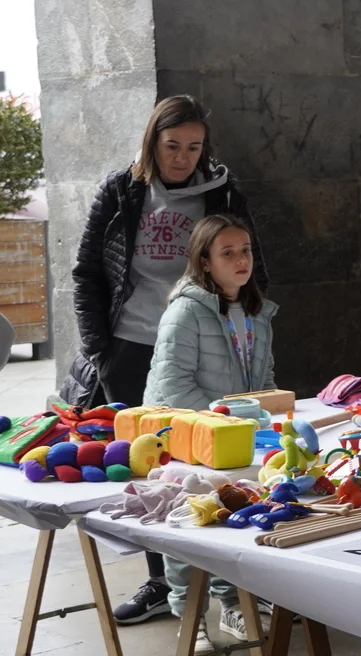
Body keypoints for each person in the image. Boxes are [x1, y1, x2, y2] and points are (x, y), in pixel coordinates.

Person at [59, 95, 268, 626]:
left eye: (193, 147)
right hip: (131, 343)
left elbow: (251, 260)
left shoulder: (221, 189)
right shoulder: (122, 189)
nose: (182, 158)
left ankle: (229, 585)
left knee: (212, 458)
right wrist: (100, 349)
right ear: (152, 142)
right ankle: (161, 582)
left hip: (202, 336)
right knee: (152, 465)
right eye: (172, 146)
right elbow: (87, 272)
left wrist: (249, 321)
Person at [144, 214, 277, 653]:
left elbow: (265, 381)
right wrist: (228, 421)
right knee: (190, 520)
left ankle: (234, 603)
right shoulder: (185, 311)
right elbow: (173, 387)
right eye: (228, 253)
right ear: (205, 261)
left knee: (235, 514)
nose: (241, 260)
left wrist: (268, 414)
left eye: (246, 251)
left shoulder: (257, 312)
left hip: (234, 436)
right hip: (186, 435)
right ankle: (190, 617)